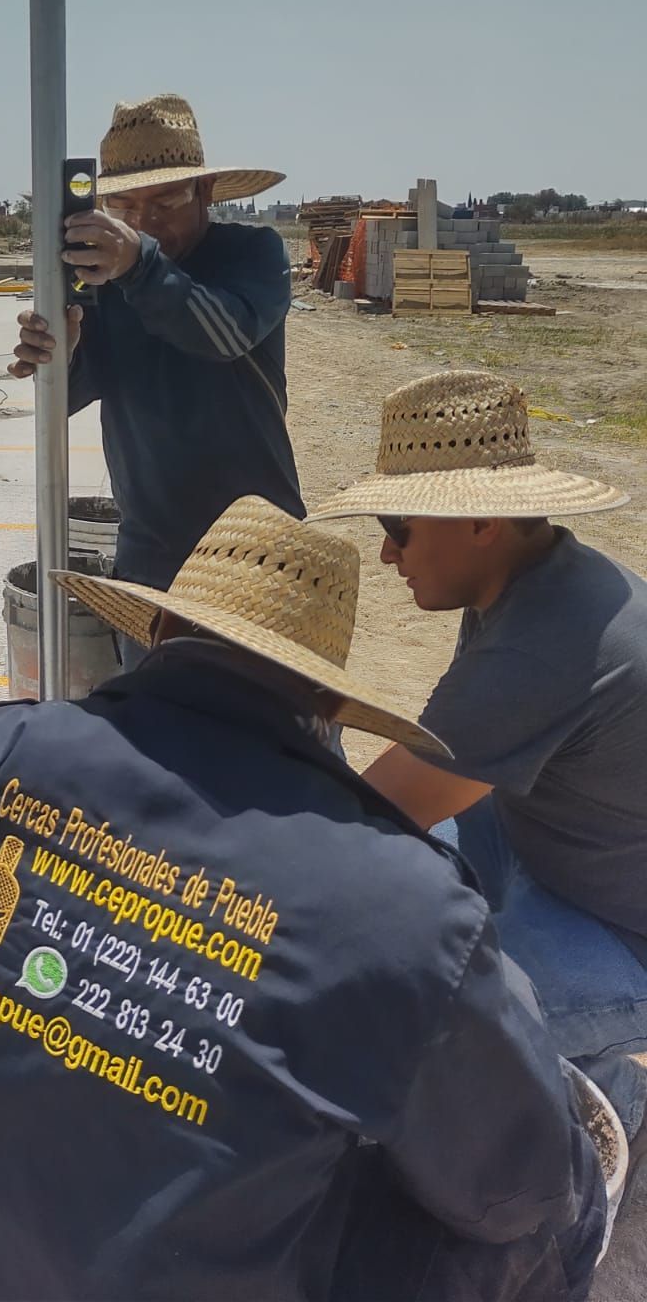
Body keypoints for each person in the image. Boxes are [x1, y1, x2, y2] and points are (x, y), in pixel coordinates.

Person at [0, 498, 603, 1302]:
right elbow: (522, 1188)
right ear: (329, 703)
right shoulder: (406, 912)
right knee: (568, 1214)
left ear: (158, 631)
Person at [311, 369, 647, 1162]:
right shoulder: (534, 580)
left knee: (424, 1040)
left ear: (482, 521)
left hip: (619, 928)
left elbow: (374, 811)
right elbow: (431, 767)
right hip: (551, 845)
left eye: (398, 526)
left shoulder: (543, 645)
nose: (387, 553)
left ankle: (601, 1100)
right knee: (395, 914)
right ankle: (579, 1078)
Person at [10, 94, 304, 661]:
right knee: (155, 711)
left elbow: (225, 335)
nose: (144, 224)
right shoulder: (110, 282)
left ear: (205, 191)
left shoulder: (251, 255)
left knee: (266, 711)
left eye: (164, 202)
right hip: (153, 563)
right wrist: (58, 355)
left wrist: (140, 266)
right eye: (125, 207)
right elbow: (76, 392)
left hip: (258, 555)